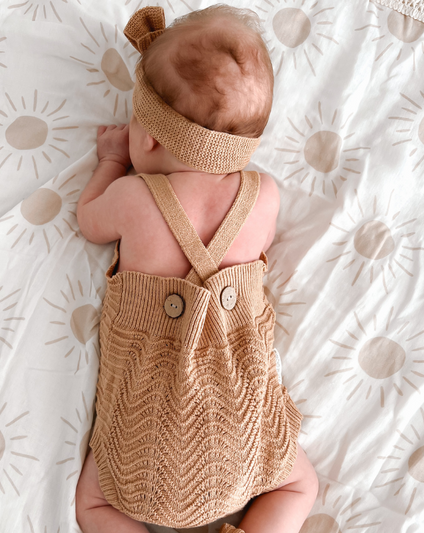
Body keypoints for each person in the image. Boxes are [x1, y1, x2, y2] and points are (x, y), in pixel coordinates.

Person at [75, 5, 318, 533]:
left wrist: (111, 162)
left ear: (150, 139)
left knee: (93, 502)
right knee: (301, 486)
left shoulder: (134, 196)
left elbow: (87, 221)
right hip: (243, 442)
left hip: (140, 457)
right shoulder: (263, 196)